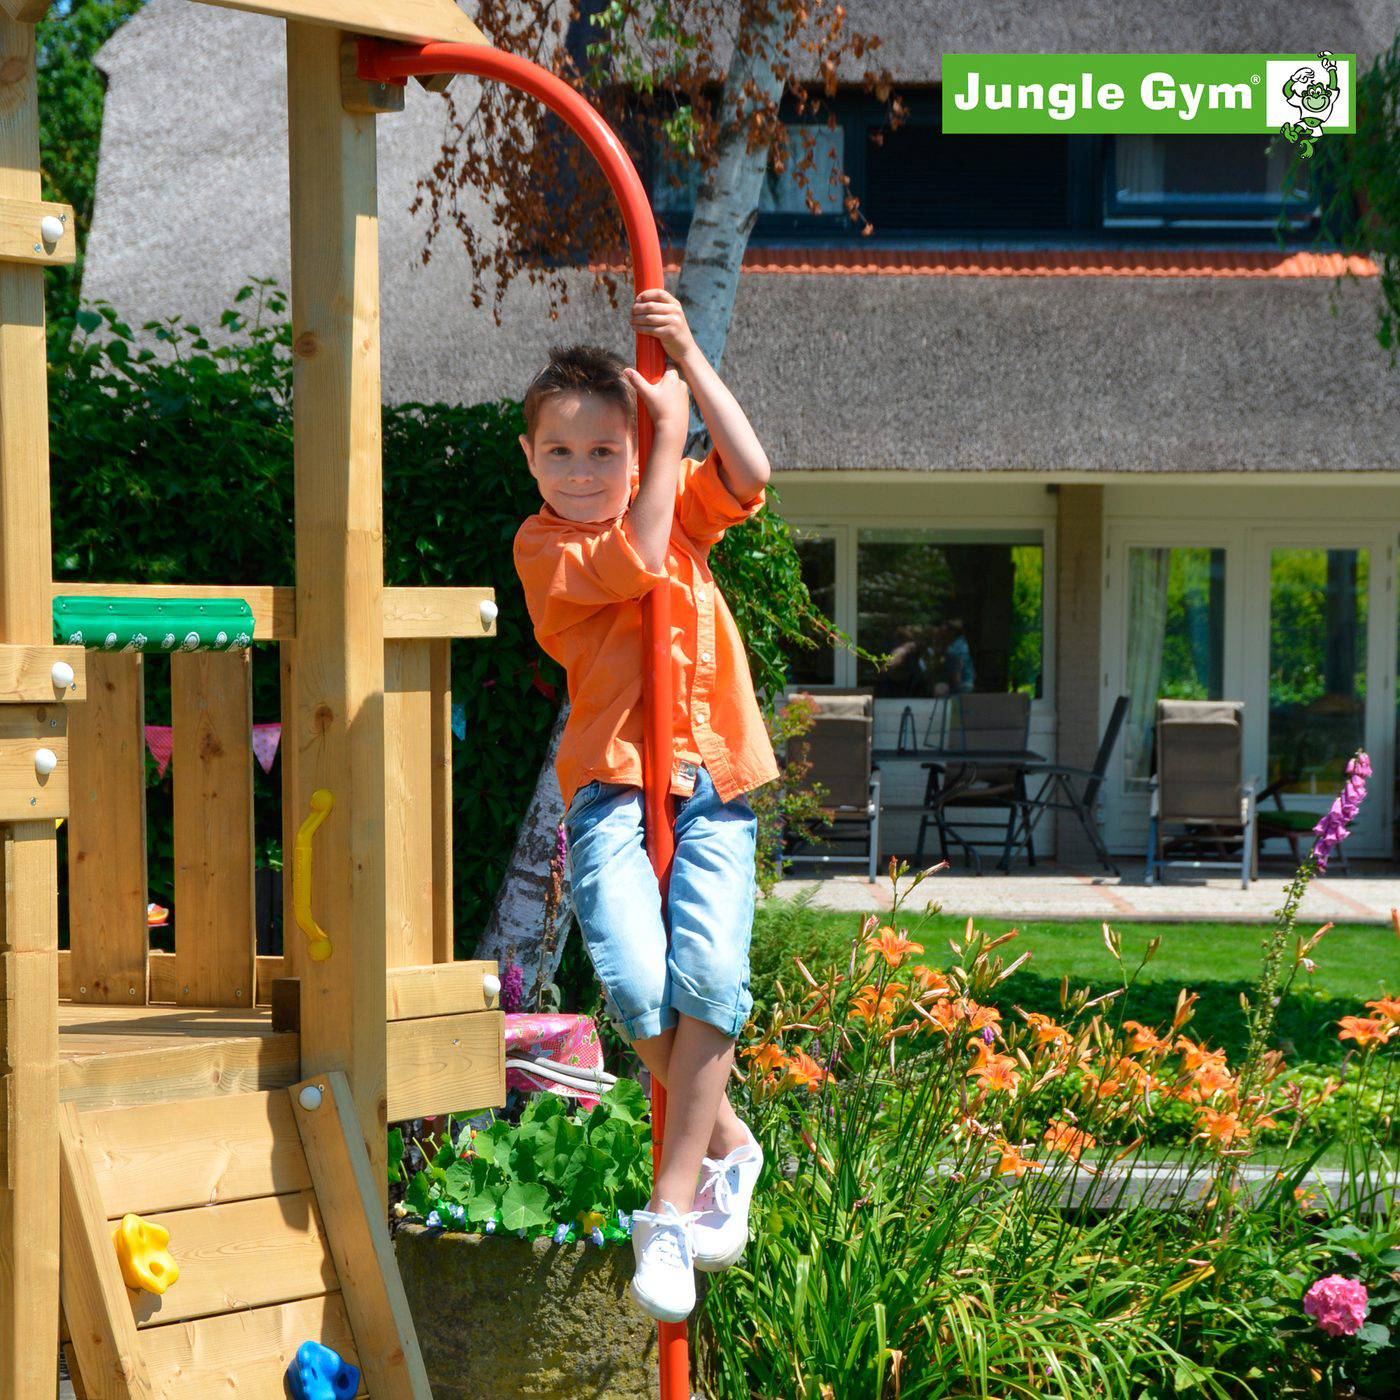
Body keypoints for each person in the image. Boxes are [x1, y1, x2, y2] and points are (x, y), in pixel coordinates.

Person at [512, 289, 778, 1323]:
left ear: (631, 458)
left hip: (708, 776)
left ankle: (668, 1209)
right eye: (560, 451)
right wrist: (663, 441)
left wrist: (689, 365)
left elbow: (748, 474)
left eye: (605, 451)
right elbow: (632, 561)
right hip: (613, 788)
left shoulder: (674, 508)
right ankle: (732, 1144)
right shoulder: (546, 548)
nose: (583, 471)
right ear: (529, 458)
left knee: (708, 977)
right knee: (631, 979)